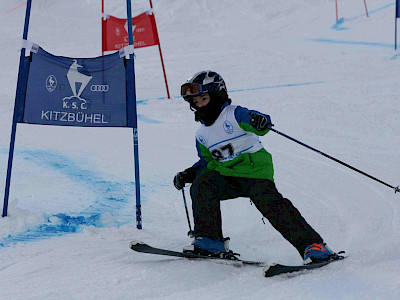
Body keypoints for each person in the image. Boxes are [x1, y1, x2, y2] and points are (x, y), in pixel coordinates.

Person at [173, 70, 336, 264]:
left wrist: (259, 122)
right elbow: (207, 163)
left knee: (272, 206)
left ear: (217, 96)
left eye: (204, 98)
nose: (199, 104)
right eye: (195, 102)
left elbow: (255, 119)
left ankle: (314, 247)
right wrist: (189, 173)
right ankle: (210, 241)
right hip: (228, 176)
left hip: (255, 173)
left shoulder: (233, 114)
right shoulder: (202, 134)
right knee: (203, 184)